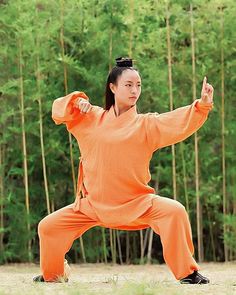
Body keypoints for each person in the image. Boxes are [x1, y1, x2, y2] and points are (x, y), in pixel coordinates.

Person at [33, 57, 214, 284]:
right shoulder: (90, 117)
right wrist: (77, 101)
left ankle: (188, 273)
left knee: (175, 211)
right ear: (113, 87)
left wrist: (202, 105)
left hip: (137, 203)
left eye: (138, 85)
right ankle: (55, 274)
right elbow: (58, 110)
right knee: (48, 227)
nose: (134, 90)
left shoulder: (146, 125)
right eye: (128, 85)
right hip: (93, 205)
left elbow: (176, 121)